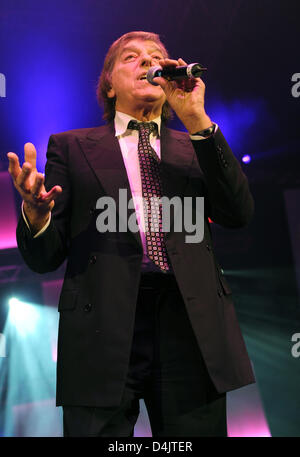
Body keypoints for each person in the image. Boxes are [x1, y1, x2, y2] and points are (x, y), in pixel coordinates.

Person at [7, 31, 255, 437]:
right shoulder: (70, 148)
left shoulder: (197, 144)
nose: (147, 62)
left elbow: (238, 213)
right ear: (108, 83)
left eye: (156, 56)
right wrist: (36, 214)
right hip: (100, 324)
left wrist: (196, 117)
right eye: (131, 57)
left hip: (189, 323)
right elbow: (44, 257)